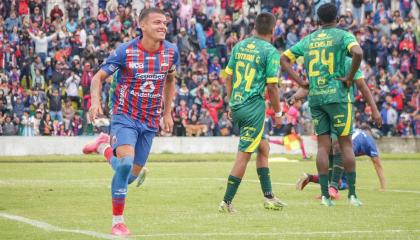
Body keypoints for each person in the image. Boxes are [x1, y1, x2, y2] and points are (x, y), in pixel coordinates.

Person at [85, 8, 179, 236]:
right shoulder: (126, 51)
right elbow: (98, 78)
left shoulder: (171, 51)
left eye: (165, 23)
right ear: (142, 26)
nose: (163, 26)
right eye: (157, 22)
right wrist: (95, 102)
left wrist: (167, 113)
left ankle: (103, 146)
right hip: (125, 116)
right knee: (125, 163)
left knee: (128, 177)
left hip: (150, 121)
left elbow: (170, 79)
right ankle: (118, 222)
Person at [280, 3, 368, 207]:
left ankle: (326, 197)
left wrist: (300, 82)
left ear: (318, 21)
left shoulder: (309, 39)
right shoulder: (343, 35)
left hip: (317, 98)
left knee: (323, 146)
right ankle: (352, 195)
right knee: (345, 144)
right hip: (338, 97)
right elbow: (358, 52)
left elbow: (284, 59)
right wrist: (349, 76)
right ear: (338, 19)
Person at [219, 12, 286, 214]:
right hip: (253, 108)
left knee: (263, 148)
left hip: (238, 105)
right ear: (273, 30)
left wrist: (231, 103)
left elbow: (227, 77)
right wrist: (278, 112)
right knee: (244, 155)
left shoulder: (239, 46)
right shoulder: (271, 51)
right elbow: (272, 87)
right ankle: (226, 202)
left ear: (254, 27)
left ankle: (269, 197)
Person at [297, 126, 386, 192]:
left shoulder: (356, 130)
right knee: (341, 183)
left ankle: (310, 178)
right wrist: (383, 187)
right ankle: (314, 179)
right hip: (344, 150)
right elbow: (378, 165)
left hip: (335, 144)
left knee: (334, 176)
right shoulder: (370, 142)